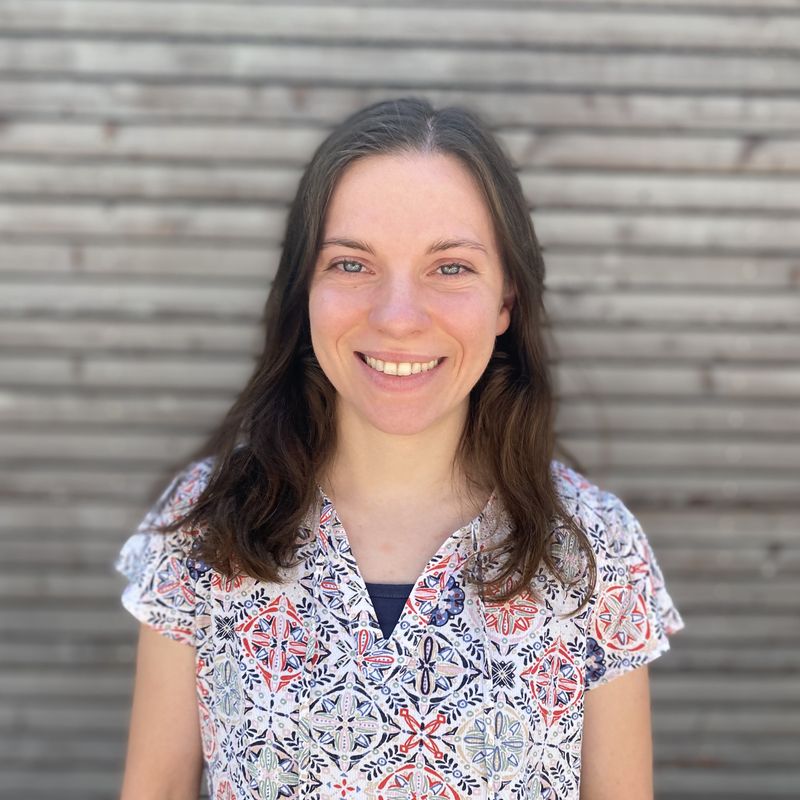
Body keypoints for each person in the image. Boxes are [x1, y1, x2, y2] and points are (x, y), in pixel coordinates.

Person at [114, 97, 685, 800]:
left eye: (451, 268)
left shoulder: (595, 547)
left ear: (506, 300)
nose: (398, 317)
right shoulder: (206, 524)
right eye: (352, 264)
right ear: (304, 289)